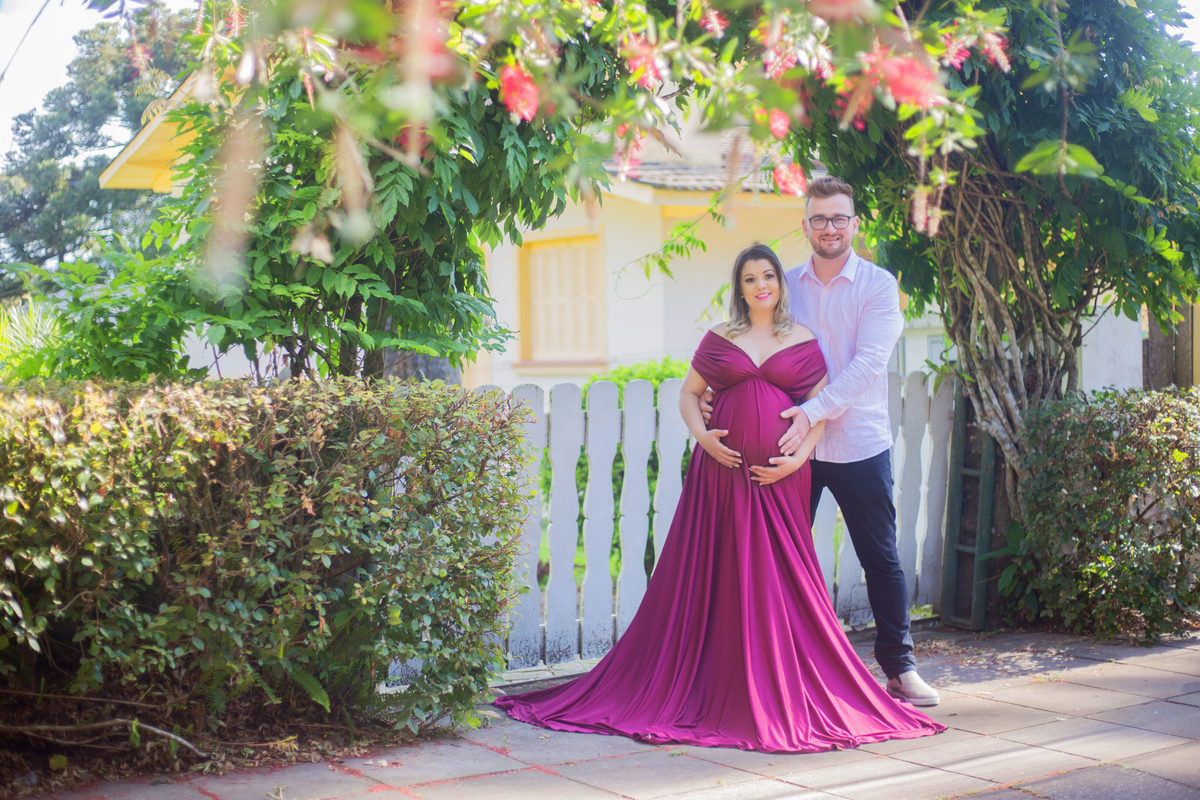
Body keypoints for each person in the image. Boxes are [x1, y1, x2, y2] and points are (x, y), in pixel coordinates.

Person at [494, 243, 944, 752]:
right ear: (740, 287)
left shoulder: (803, 337)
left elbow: (817, 407)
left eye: (768, 276)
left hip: (779, 478)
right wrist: (703, 438)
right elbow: (689, 394)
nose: (761, 286)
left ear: (781, 283)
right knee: (719, 569)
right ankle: (716, 676)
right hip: (720, 476)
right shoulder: (721, 336)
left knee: (779, 574)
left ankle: (797, 674)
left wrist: (799, 460)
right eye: (750, 278)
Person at [705, 175, 939, 707]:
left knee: (880, 557)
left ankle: (900, 670)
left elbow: (867, 366)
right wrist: (710, 395)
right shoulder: (784, 285)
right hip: (785, 450)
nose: (829, 227)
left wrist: (811, 412)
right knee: (773, 555)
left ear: (854, 224)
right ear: (806, 224)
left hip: (857, 441)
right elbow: (752, 348)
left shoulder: (879, 286)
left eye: (838, 218)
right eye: (818, 218)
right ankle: (775, 670)